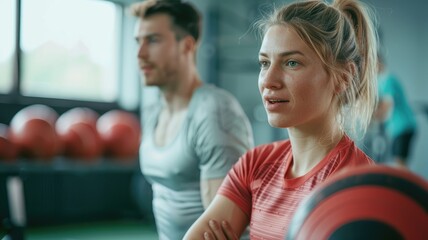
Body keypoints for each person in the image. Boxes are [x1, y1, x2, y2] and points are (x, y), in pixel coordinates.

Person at [184, 0, 378, 239]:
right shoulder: (254, 165)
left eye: (291, 63)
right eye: (264, 63)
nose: (268, 80)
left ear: (343, 77)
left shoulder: (358, 185)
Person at [130, 1, 254, 239]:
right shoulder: (153, 110)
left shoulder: (213, 111)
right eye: (138, 41)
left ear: (187, 45)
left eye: (153, 40)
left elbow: (223, 229)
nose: (140, 53)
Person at [373, 53, 418, 167]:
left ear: (378, 62)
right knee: (396, 163)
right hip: (395, 129)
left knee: (400, 165)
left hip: (403, 126)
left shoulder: (388, 80)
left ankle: (405, 185)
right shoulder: (380, 82)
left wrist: (371, 117)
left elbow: (387, 106)